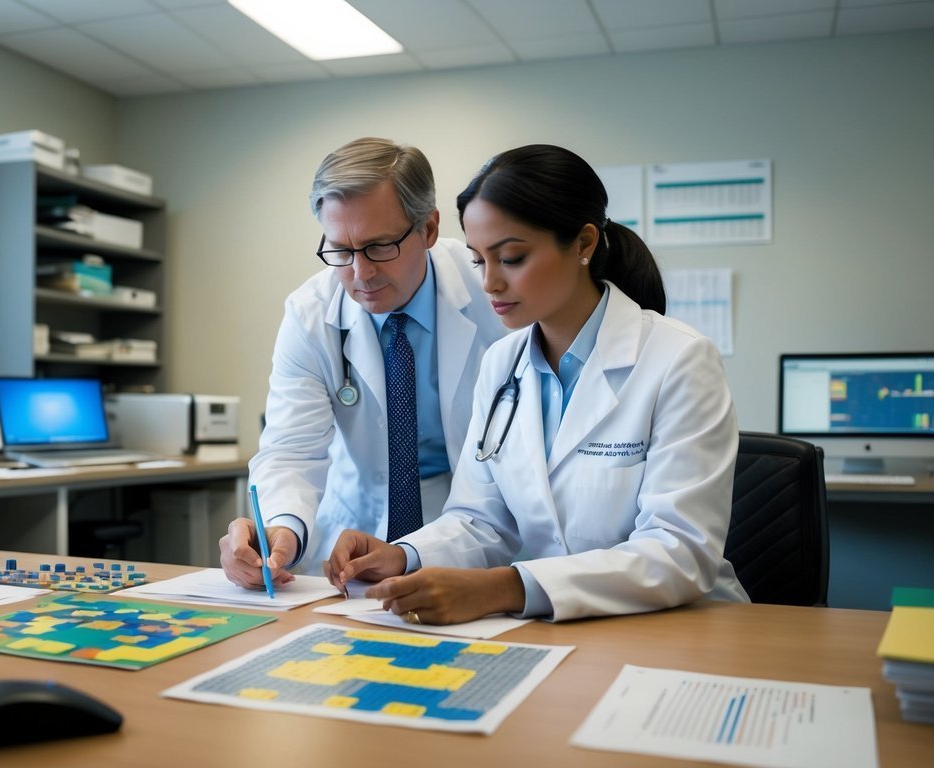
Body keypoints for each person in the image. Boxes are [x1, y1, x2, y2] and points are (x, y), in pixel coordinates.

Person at [325, 144, 749, 622]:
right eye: (480, 261)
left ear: (584, 244)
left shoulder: (679, 360)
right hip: (560, 629)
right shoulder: (501, 363)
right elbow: (482, 520)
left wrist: (504, 587)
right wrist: (401, 556)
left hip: (677, 628)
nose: (490, 284)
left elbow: (679, 551)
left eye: (511, 258)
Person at [220, 137, 504, 585]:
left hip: (473, 541)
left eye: (378, 247)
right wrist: (282, 529)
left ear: (428, 229)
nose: (360, 273)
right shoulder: (310, 312)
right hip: (352, 542)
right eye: (341, 250)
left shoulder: (493, 291)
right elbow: (292, 448)